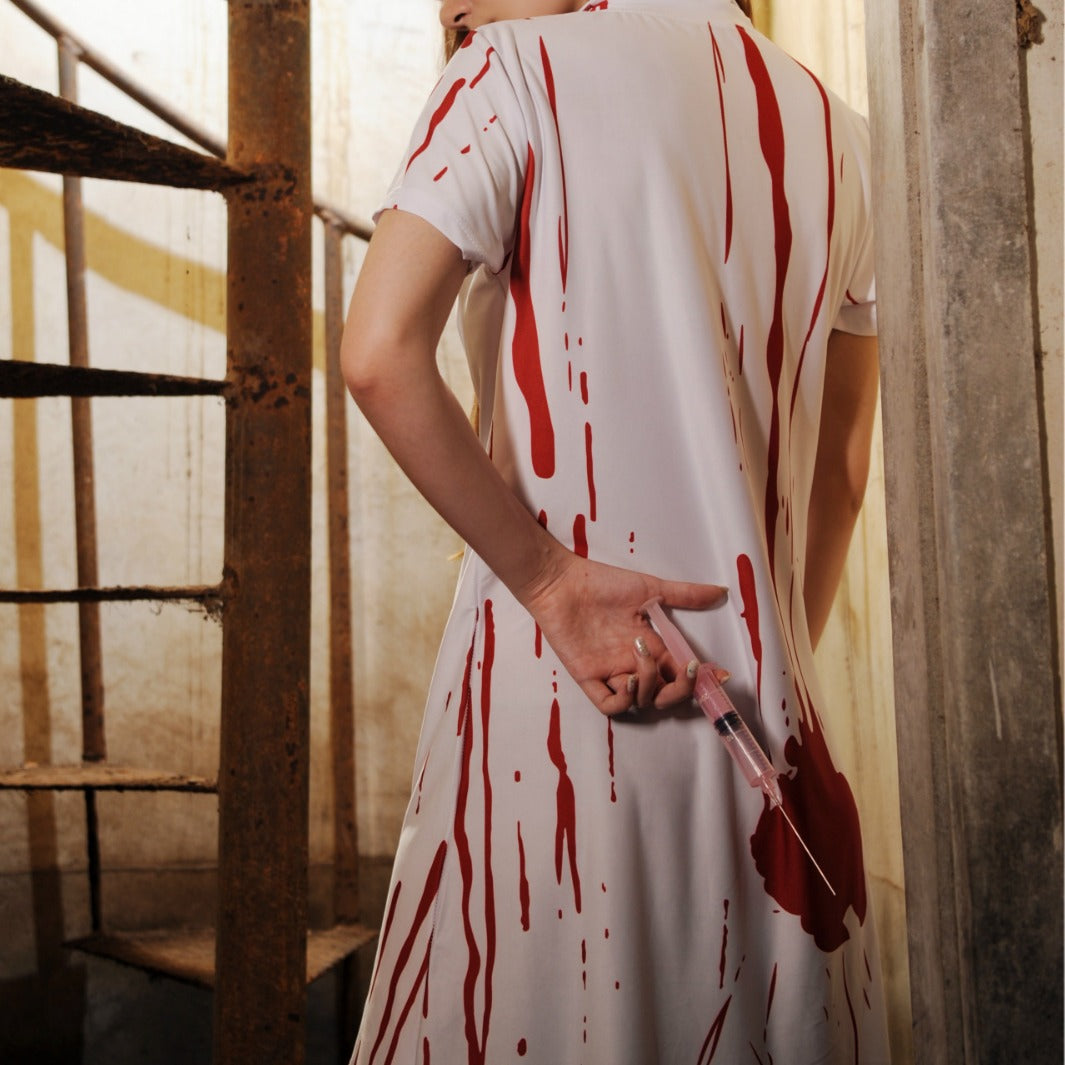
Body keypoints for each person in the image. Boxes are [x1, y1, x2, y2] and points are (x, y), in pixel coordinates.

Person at [341, 0, 890, 1061]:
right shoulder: (844, 131)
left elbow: (376, 353)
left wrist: (549, 583)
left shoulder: (510, 71)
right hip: (766, 722)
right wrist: (776, 650)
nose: (444, 5)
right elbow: (844, 465)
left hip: (567, 700)